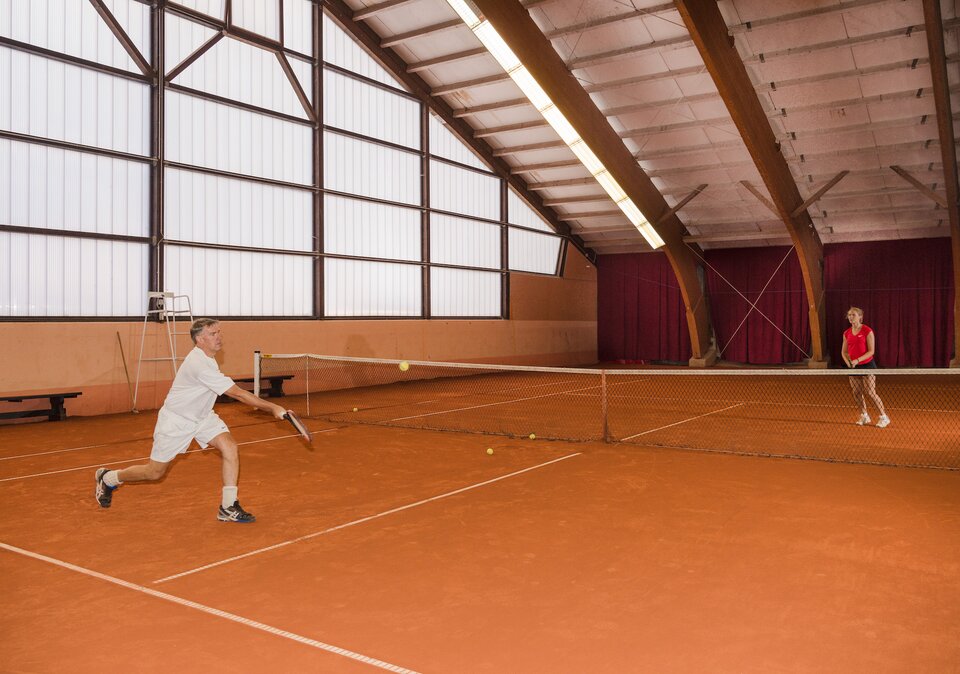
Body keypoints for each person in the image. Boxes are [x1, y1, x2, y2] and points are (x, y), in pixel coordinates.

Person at [95, 318, 288, 522]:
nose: (219, 337)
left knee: (229, 446)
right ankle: (108, 478)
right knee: (154, 473)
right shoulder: (199, 364)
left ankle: (228, 506)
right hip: (177, 421)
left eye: (219, 332)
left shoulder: (208, 359)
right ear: (199, 340)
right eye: (213, 334)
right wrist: (273, 407)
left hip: (202, 417)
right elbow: (237, 393)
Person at [841, 306, 890, 428]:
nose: (851, 317)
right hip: (853, 366)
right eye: (849, 315)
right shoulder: (846, 333)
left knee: (870, 392)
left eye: (853, 315)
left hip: (867, 365)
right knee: (856, 392)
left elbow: (871, 351)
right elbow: (844, 352)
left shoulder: (867, 331)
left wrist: (857, 360)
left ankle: (883, 417)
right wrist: (849, 362)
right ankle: (864, 415)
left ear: (860, 317)